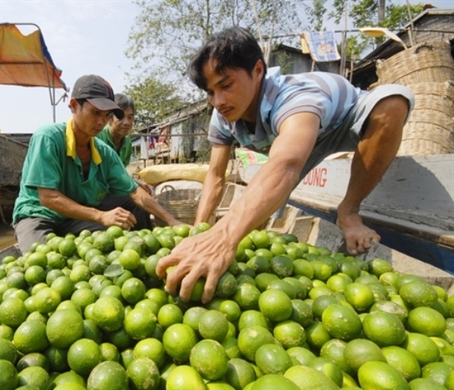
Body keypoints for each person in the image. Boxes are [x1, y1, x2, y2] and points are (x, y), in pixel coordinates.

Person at [156, 27, 414, 303]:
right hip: (294, 146)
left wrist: (224, 236)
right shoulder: (223, 117)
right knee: (251, 222)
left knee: (392, 102)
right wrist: (200, 232)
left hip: (342, 125)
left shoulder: (293, 96)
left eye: (226, 85)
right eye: (210, 91)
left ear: (257, 70)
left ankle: (349, 211)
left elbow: (286, 162)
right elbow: (216, 176)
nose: (218, 101)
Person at [12, 74, 182, 253]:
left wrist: (172, 221)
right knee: (41, 261)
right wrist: (100, 216)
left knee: (122, 241)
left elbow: (134, 191)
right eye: (95, 113)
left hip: (74, 218)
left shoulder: (104, 152)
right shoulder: (48, 137)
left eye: (106, 115)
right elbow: (47, 197)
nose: (101, 122)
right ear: (74, 106)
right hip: (39, 215)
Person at [97, 93, 153, 194]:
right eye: (120, 117)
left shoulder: (127, 142)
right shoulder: (98, 138)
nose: (126, 122)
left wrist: (134, 182)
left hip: (114, 190)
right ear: (109, 119)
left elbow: (120, 173)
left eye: (130, 117)